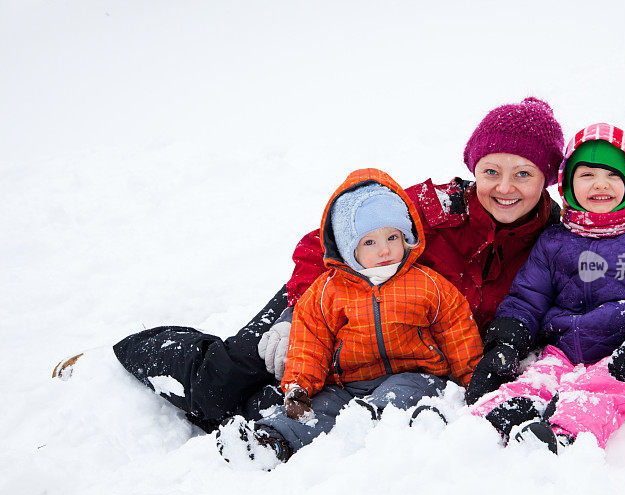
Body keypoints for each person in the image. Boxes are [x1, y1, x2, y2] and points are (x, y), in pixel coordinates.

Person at [112, 97, 565, 431]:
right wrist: (295, 316)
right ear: (474, 168)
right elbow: (324, 241)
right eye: (491, 171)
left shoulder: (555, 243)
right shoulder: (431, 206)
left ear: (547, 177)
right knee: (217, 390)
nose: (505, 187)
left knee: (259, 411)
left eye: (523, 173)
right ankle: (129, 351)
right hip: (326, 302)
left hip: (394, 346)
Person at [215, 168, 482, 469]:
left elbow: (457, 331)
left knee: (402, 393)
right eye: (369, 242)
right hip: (348, 383)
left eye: (393, 237)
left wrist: (473, 379)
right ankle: (271, 440)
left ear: (407, 236)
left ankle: (376, 422)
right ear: (347, 247)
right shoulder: (327, 290)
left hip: (415, 375)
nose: (384, 250)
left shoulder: (427, 283)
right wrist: (298, 387)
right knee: (319, 408)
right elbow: (310, 342)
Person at [466, 123, 625, 453]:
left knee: (603, 390)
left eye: (612, 175)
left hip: (624, 352)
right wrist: (506, 342)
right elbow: (528, 297)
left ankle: (566, 433)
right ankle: (497, 419)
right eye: (587, 175)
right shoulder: (554, 242)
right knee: (537, 378)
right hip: (563, 348)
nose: (600, 184)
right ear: (568, 183)